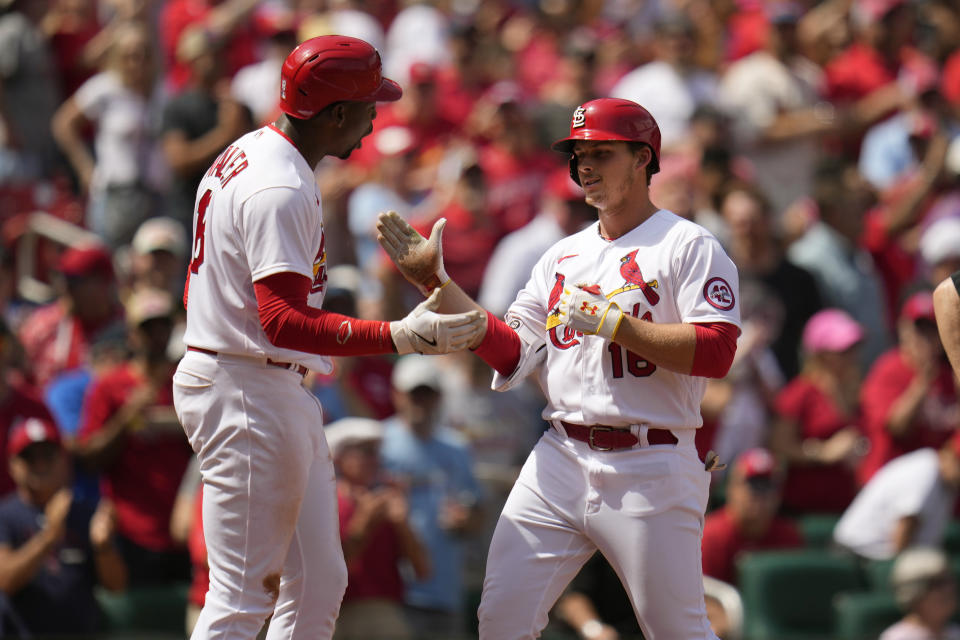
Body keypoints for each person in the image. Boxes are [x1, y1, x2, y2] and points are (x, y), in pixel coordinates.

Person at [377, 97, 742, 639]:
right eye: (577, 157)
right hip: (560, 455)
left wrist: (616, 324)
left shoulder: (688, 245)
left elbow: (716, 351)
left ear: (643, 157)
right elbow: (513, 351)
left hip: (650, 460)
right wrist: (439, 285)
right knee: (501, 619)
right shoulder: (559, 256)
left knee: (677, 630)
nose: (585, 167)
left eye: (600, 153)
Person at [171, 35, 486, 640]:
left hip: (257, 377)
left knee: (319, 580)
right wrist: (400, 336)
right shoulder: (280, 185)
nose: (374, 121)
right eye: (368, 106)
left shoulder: (254, 152)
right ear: (336, 112)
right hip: (245, 384)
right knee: (240, 599)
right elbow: (282, 320)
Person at [74, 287, 193, 585]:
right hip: (132, 534)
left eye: (163, 325)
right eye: (147, 327)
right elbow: (90, 456)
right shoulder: (109, 386)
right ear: (131, 333)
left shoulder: (189, 382)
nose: (157, 334)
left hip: (183, 529)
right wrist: (128, 416)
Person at [379, 354, 485, 638]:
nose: (420, 402)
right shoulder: (378, 444)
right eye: (414, 394)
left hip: (445, 589)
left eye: (427, 394)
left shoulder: (457, 447)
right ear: (397, 394)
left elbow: (478, 513)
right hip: (393, 591)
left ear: (439, 397)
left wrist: (466, 519)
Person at [0, 417, 126, 636]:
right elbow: (6, 580)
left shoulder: (86, 513)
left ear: (63, 460)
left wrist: (103, 546)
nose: (40, 465)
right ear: (12, 465)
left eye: (47, 455)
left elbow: (116, 585)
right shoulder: (5, 515)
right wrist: (50, 535)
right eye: (29, 457)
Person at [327, 417, 430, 640]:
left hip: (381, 610)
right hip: (333, 612)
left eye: (376, 452)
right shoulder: (326, 501)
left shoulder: (388, 499)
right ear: (339, 456)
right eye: (365, 451)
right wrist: (365, 521)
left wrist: (403, 524)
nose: (374, 460)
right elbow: (330, 570)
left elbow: (422, 570)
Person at [769, 309, 865, 514]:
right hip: (803, 509)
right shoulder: (799, 393)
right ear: (820, 354)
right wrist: (823, 453)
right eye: (843, 350)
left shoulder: (855, 390)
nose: (851, 356)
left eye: (853, 349)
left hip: (846, 505)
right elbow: (779, 446)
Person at [858, 290, 959, 484]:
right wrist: (923, 381)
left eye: (932, 330)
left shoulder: (950, 375)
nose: (926, 338)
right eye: (919, 330)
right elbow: (897, 426)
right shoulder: (887, 369)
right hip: (890, 483)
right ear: (904, 330)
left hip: (936, 488)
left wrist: (953, 452)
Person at [833, 432, 960, 562]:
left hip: (875, 556)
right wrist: (901, 569)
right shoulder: (926, 471)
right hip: (859, 555)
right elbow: (904, 528)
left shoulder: (947, 481)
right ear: (948, 453)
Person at [700, 448, 803, 586]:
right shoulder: (711, 536)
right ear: (732, 489)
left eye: (767, 486)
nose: (759, 495)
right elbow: (707, 599)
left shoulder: (788, 536)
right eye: (752, 485)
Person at [880, 546, 960, 640]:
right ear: (914, 594)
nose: (949, 589)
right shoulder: (898, 637)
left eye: (949, 581)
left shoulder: (955, 632)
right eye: (937, 583)